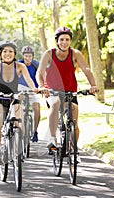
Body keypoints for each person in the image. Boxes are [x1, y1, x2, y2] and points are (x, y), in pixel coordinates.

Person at [36, 26, 98, 160]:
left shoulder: (75, 53)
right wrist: (41, 86)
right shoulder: (49, 54)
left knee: (74, 121)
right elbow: (39, 73)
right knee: (55, 103)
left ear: (70, 41)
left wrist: (93, 84)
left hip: (70, 91)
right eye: (61, 39)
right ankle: (52, 139)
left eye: (67, 39)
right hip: (52, 90)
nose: (64, 42)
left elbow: (86, 69)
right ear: (57, 41)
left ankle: (72, 149)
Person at [0, 40, 38, 165]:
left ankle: (19, 149)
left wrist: (35, 89)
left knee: (19, 122)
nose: (8, 54)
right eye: (5, 51)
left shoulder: (20, 66)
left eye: (11, 52)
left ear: (15, 53)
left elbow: (29, 80)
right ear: (0, 54)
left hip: (14, 97)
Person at [18, 46, 41, 142]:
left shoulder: (36, 64)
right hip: (21, 87)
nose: (28, 58)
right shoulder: (19, 64)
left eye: (30, 56)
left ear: (33, 56)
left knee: (37, 109)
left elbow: (42, 74)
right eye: (26, 56)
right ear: (23, 56)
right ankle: (20, 128)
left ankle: (35, 131)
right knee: (18, 105)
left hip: (33, 88)